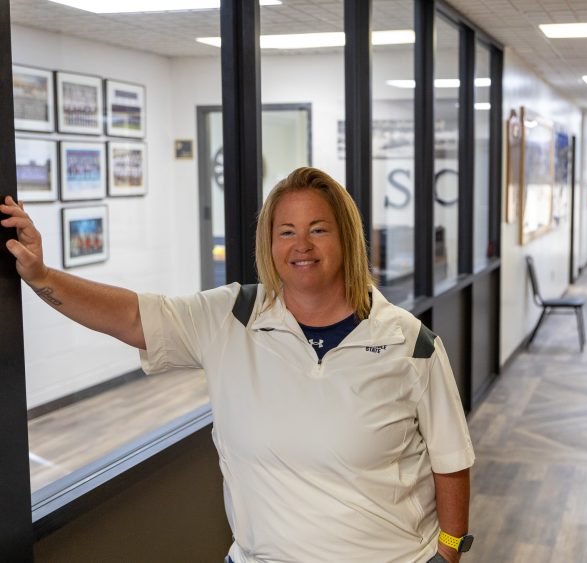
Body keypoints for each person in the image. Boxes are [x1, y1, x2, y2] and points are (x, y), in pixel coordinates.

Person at [1, 167, 475, 563]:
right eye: (285, 231)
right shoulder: (229, 319)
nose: (301, 245)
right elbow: (129, 316)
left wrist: (448, 552)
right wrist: (40, 276)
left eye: (318, 229)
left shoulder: (410, 343)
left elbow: (450, 460)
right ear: (269, 244)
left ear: (347, 238)